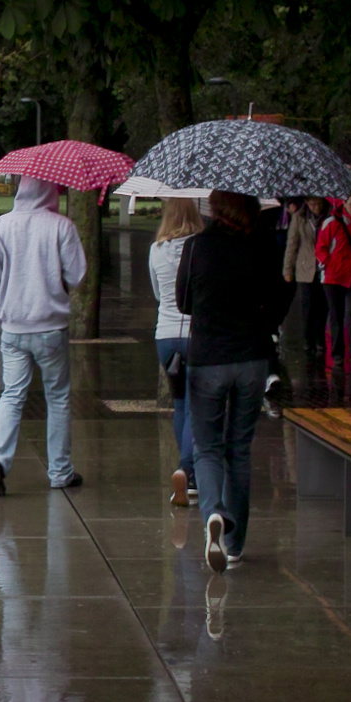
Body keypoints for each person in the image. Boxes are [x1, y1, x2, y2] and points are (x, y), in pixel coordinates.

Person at [177, 190, 289, 573]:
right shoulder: (263, 246)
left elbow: (183, 302)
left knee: (208, 449)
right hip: (252, 359)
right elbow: (277, 302)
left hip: (208, 358)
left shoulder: (196, 247)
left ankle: (214, 514)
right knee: (239, 450)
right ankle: (235, 544)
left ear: (215, 209)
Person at [0, 176, 87, 496]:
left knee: (12, 395)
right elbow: (78, 274)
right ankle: (60, 471)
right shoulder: (62, 226)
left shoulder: (1, 226)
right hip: (51, 327)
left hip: (13, 328)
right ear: (50, 190)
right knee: (57, 397)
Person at [149, 198, 204, 507]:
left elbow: (158, 292)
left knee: (180, 403)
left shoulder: (156, 249)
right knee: (197, 404)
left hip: (166, 335)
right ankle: (188, 470)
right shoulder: (200, 246)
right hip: (196, 333)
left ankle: (186, 467)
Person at [315, 193, 351, 374]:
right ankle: (338, 354)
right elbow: (320, 248)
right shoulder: (332, 222)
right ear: (344, 204)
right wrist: (329, 264)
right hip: (333, 277)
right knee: (336, 316)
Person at [283, 196, 330, 361]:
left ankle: (320, 339)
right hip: (305, 267)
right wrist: (288, 269)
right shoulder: (299, 217)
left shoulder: (330, 217)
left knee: (323, 307)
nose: (314, 207)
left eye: (317, 203)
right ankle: (307, 340)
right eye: (311, 203)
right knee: (308, 306)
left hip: (325, 268)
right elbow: (292, 243)